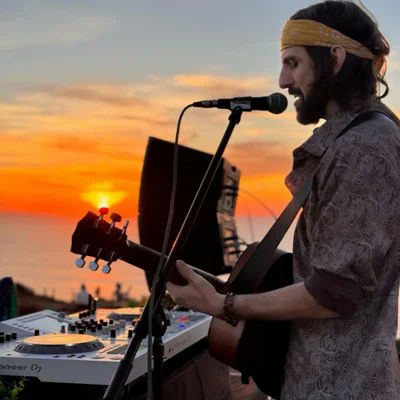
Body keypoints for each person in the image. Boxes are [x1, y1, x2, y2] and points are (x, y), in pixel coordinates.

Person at [166, 1, 400, 399]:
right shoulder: (353, 141)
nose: (282, 80)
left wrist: (226, 306)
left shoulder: (364, 148)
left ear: (335, 59)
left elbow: (333, 293)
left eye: (293, 63)